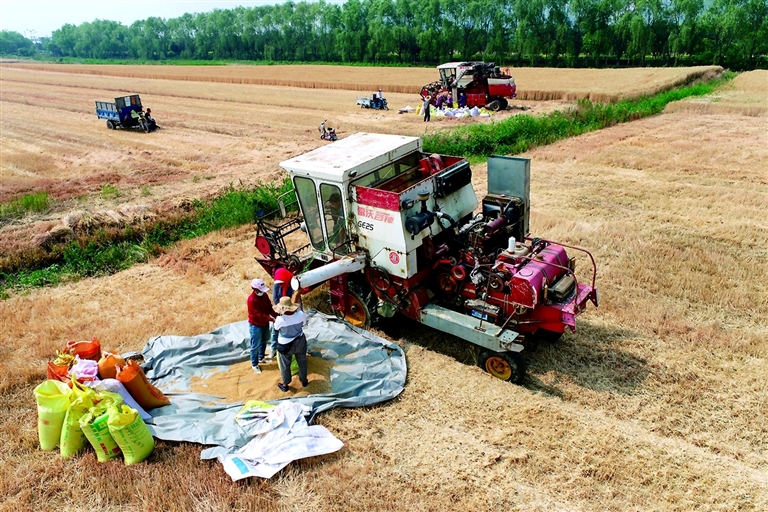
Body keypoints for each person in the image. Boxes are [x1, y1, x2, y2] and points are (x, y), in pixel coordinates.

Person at [272, 295, 308, 392]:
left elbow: (276, 328)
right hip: (300, 340)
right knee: (302, 361)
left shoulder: (280, 319)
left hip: (285, 344)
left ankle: (285, 384)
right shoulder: (301, 314)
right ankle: (304, 381)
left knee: (285, 365)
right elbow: (303, 324)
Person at [247, 278, 274, 373]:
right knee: (255, 345)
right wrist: (272, 319)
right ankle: (254, 364)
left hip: (264, 323)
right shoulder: (251, 300)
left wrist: (276, 315)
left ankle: (261, 357)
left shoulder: (265, 295)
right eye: (260, 291)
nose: (262, 292)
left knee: (264, 340)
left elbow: (269, 307)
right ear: (255, 290)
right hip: (256, 325)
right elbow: (259, 315)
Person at [268, 267, 295, 360]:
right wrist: (280, 310)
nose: (280, 285)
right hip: (280, 309)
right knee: (275, 330)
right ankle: (273, 349)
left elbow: (294, 297)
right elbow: (275, 297)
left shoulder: (292, 283)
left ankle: (293, 348)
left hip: (290, 308)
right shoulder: (277, 284)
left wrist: (289, 310)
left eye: (281, 283)